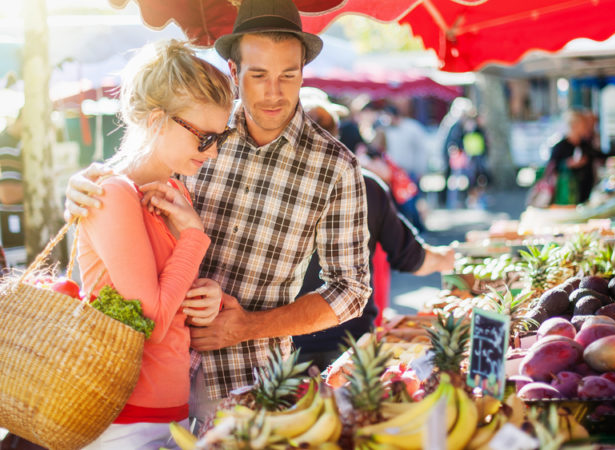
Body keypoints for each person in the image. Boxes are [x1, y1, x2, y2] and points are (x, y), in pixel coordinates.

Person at [65, 0, 371, 424]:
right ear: (233, 71)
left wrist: (248, 325)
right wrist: (84, 188)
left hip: (247, 382)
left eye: (289, 75)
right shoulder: (202, 131)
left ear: (303, 73)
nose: (274, 92)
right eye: (259, 75)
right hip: (145, 377)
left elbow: (351, 290)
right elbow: (130, 182)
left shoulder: (335, 166)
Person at [77, 40, 230, 449]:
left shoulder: (173, 194)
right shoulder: (113, 195)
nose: (213, 151)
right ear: (159, 120)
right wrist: (195, 238)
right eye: (204, 137)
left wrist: (207, 297)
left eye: (221, 136)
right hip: (125, 422)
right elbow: (153, 322)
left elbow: (172, 301)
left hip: (168, 413)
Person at [296, 92, 455, 368]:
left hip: (285, 345)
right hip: (351, 345)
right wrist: (449, 259)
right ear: (336, 134)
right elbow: (411, 258)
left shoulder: (268, 190)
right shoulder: (366, 185)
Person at [546, 111, 595, 205]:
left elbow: (600, 155)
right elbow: (551, 168)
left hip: (585, 192)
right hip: (566, 195)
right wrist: (568, 164)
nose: (586, 127)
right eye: (583, 124)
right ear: (574, 126)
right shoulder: (560, 146)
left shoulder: (585, 145)